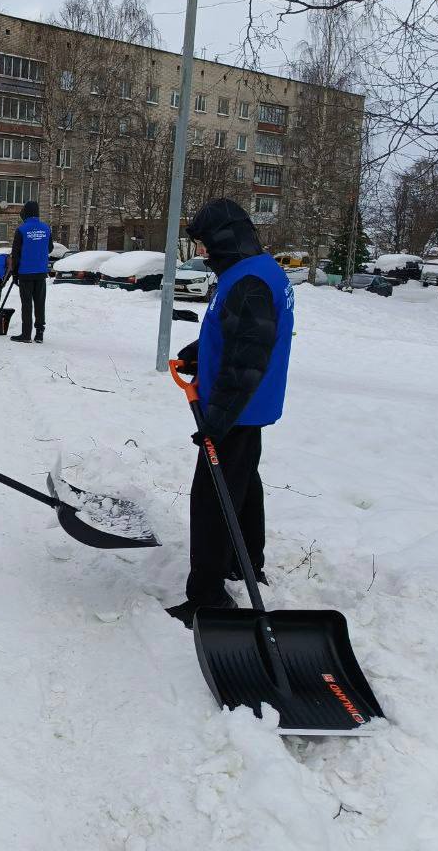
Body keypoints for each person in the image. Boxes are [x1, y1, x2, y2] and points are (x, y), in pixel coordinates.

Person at [166, 198, 294, 628]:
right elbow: (239, 335)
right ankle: (245, 562)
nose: (202, 252)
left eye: (204, 243)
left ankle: (208, 596)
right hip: (249, 406)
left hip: (238, 405)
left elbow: (248, 360)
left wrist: (216, 420)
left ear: (224, 238)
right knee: (242, 483)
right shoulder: (259, 270)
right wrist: (201, 352)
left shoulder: (249, 280)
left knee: (212, 498)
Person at [9, 201, 51, 343]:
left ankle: (26, 335)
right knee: (40, 303)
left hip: (25, 273)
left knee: (27, 304)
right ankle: (39, 333)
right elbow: (50, 248)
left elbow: (15, 254)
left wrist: (14, 274)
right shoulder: (46, 229)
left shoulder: (21, 230)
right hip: (41, 272)